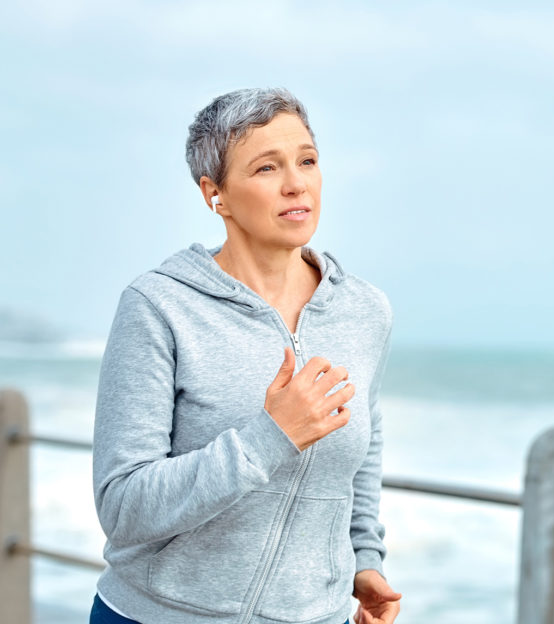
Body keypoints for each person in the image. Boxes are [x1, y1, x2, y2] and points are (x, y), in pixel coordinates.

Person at [91, 87, 401, 624]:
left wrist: (363, 559)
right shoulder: (159, 307)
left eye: (307, 160)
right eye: (265, 168)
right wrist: (269, 437)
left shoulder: (365, 311)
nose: (295, 182)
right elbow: (123, 507)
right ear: (216, 194)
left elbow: (363, 453)